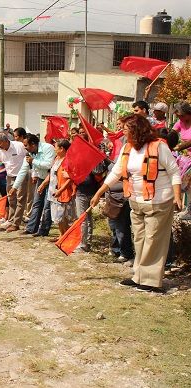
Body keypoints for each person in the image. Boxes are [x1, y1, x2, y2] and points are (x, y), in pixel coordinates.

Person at [90, 114, 182, 293]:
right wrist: (98, 193)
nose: (122, 132)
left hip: (159, 201)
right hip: (136, 201)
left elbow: (174, 171)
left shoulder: (159, 147)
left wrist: (177, 196)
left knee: (154, 240)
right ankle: (139, 276)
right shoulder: (127, 148)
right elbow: (115, 173)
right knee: (139, 239)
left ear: (137, 130)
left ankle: (152, 281)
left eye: (125, 129)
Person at [9, 134, 56, 236]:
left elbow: (49, 164)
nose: (24, 147)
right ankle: (31, 228)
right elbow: (23, 170)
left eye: (26, 145)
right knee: (36, 203)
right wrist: (14, 187)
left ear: (33, 144)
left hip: (51, 180)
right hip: (41, 178)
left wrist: (33, 161)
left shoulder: (48, 148)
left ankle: (43, 231)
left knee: (47, 206)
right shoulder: (30, 153)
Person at [37, 139, 76, 238]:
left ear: (62, 148)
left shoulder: (68, 160)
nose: (54, 149)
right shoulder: (57, 159)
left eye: (56, 147)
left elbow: (70, 179)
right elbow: (51, 174)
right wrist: (43, 185)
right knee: (56, 216)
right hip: (52, 191)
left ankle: (65, 236)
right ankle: (61, 234)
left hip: (62, 192)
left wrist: (60, 190)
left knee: (62, 216)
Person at [172, 101, 191, 220]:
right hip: (187, 158)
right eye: (178, 116)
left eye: (181, 115)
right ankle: (186, 208)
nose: (179, 118)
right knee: (186, 185)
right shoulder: (180, 122)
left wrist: (180, 146)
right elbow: (173, 133)